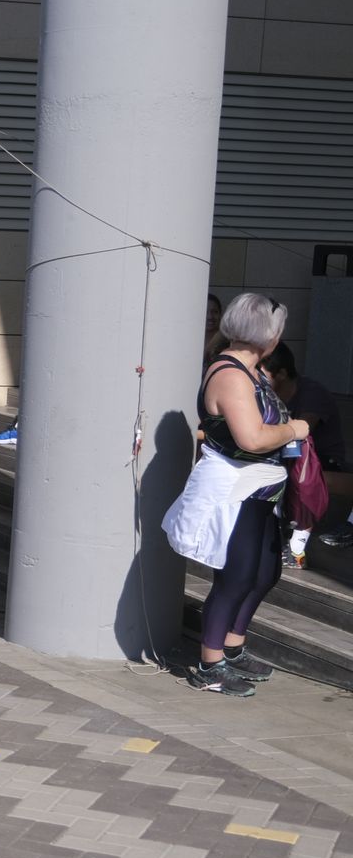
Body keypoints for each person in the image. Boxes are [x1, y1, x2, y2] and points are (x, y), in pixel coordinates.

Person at [163, 293, 310, 697]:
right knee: (236, 576)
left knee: (264, 573)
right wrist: (294, 430)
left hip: (262, 488)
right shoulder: (230, 374)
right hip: (236, 489)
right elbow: (252, 438)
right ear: (268, 333)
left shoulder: (253, 370)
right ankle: (209, 666)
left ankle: (232, 647)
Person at [261, 342, 351, 556]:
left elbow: (302, 430)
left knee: (299, 473)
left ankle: (296, 549)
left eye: (261, 373)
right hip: (287, 456)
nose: (256, 378)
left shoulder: (311, 392)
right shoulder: (266, 394)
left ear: (282, 373)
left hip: (321, 460)